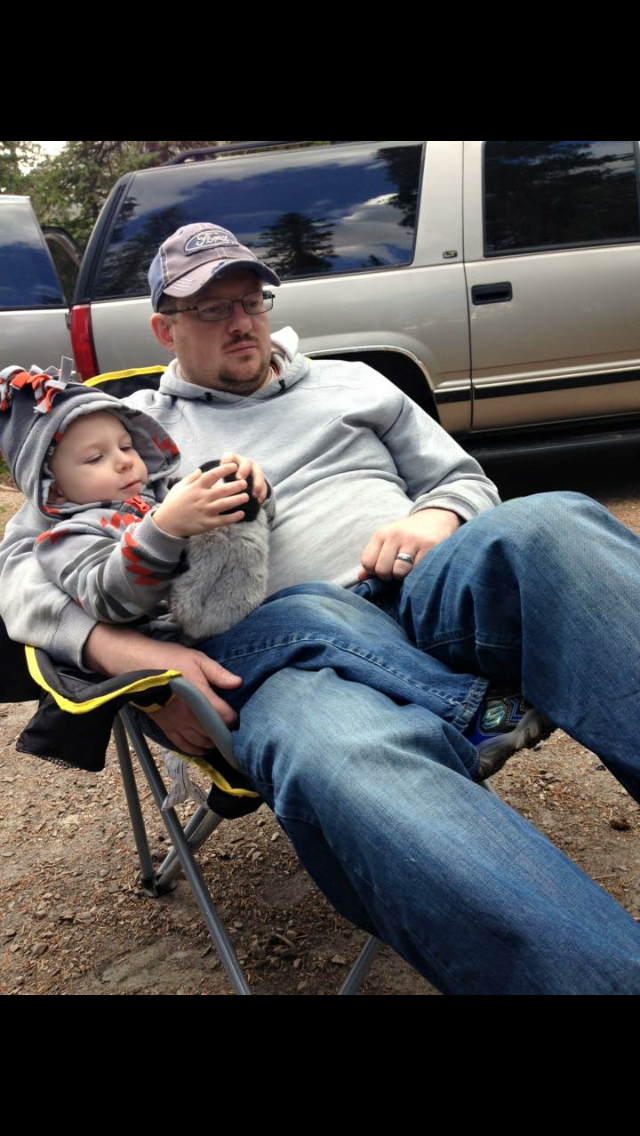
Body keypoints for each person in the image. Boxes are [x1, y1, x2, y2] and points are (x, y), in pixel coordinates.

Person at [1, 224, 639, 994]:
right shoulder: (121, 435)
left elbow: (466, 480)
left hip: (429, 593)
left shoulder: (358, 383)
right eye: (210, 309)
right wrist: (132, 658)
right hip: (285, 662)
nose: (240, 321)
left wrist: (432, 520)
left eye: (249, 300)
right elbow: (22, 567)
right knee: (342, 755)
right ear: (163, 329)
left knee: (555, 523)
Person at [0, 363, 273, 640]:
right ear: (54, 490)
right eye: (96, 458)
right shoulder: (66, 538)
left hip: (235, 612)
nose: (123, 461)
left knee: (311, 598)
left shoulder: (166, 491)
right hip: (177, 648)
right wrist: (163, 531)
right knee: (302, 621)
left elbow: (249, 531)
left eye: (127, 446)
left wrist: (248, 489)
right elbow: (109, 601)